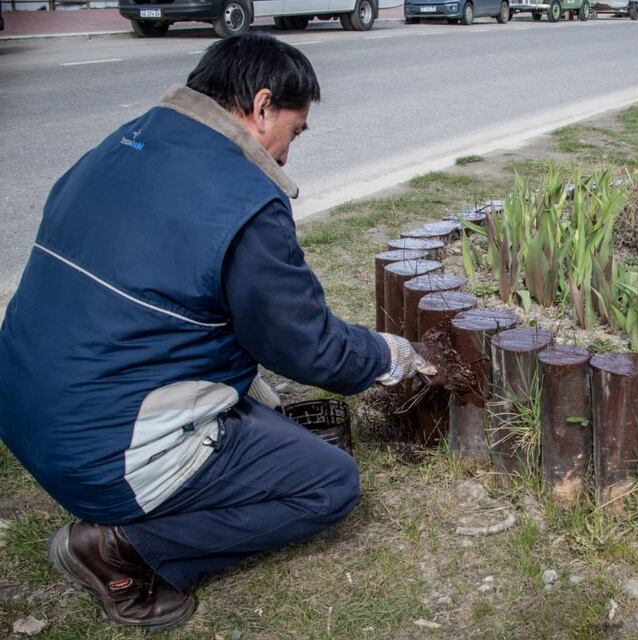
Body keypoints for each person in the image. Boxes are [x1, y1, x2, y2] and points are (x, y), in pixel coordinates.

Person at [0, 34, 433, 630]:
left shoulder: (120, 145)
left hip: (28, 411)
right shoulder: (245, 200)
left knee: (274, 426)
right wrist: (389, 356)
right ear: (260, 107)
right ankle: (120, 549)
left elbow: (165, 307)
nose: (286, 154)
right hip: (103, 452)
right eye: (295, 130)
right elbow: (307, 346)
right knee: (329, 484)